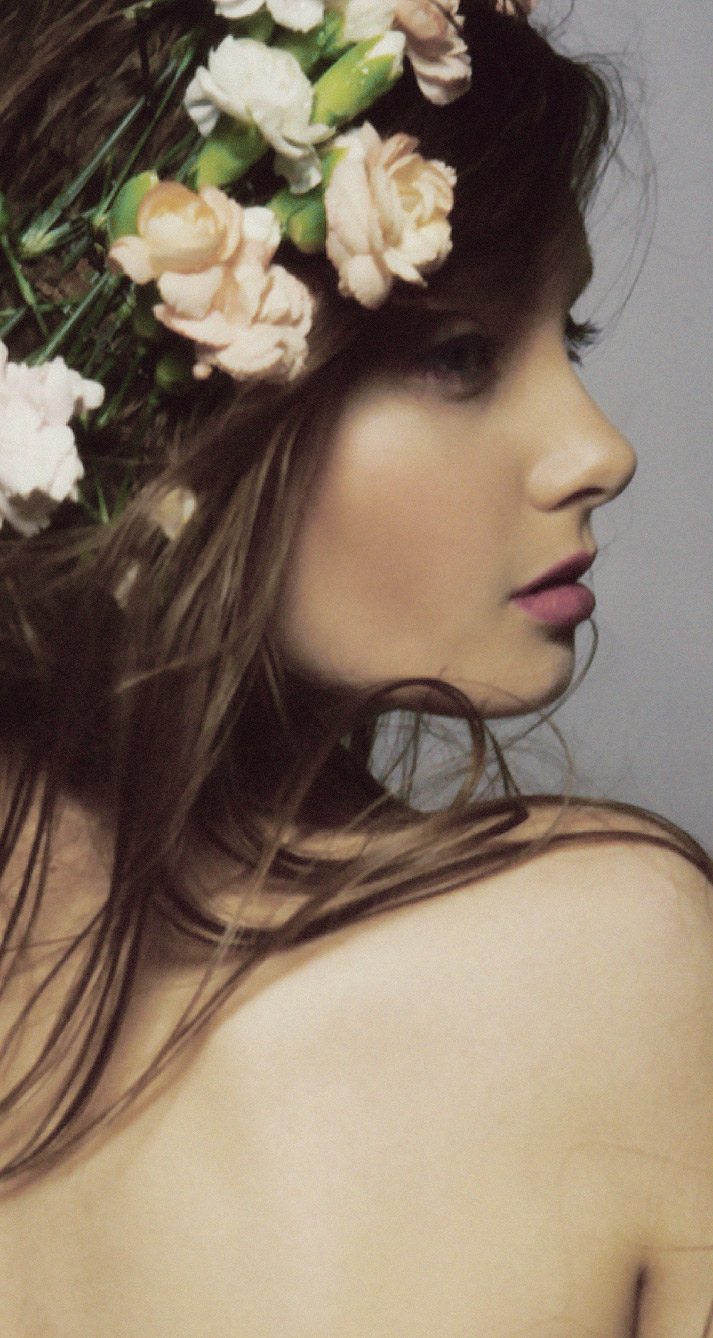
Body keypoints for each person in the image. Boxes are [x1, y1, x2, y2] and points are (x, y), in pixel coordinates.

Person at [0, 1, 712, 1334]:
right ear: (156, 429)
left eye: (572, 340)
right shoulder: (604, 957)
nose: (596, 448)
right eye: (458, 354)